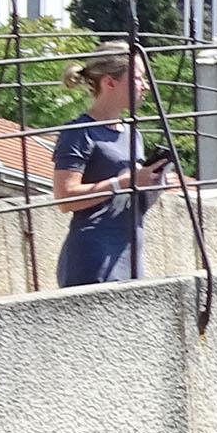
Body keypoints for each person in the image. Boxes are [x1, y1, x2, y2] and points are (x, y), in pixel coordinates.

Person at [49, 46, 172, 287]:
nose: (145, 86)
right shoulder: (79, 132)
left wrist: (154, 181)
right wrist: (124, 181)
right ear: (110, 82)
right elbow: (64, 198)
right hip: (93, 258)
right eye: (138, 78)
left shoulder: (132, 132)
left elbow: (131, 197)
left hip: (129, 254)